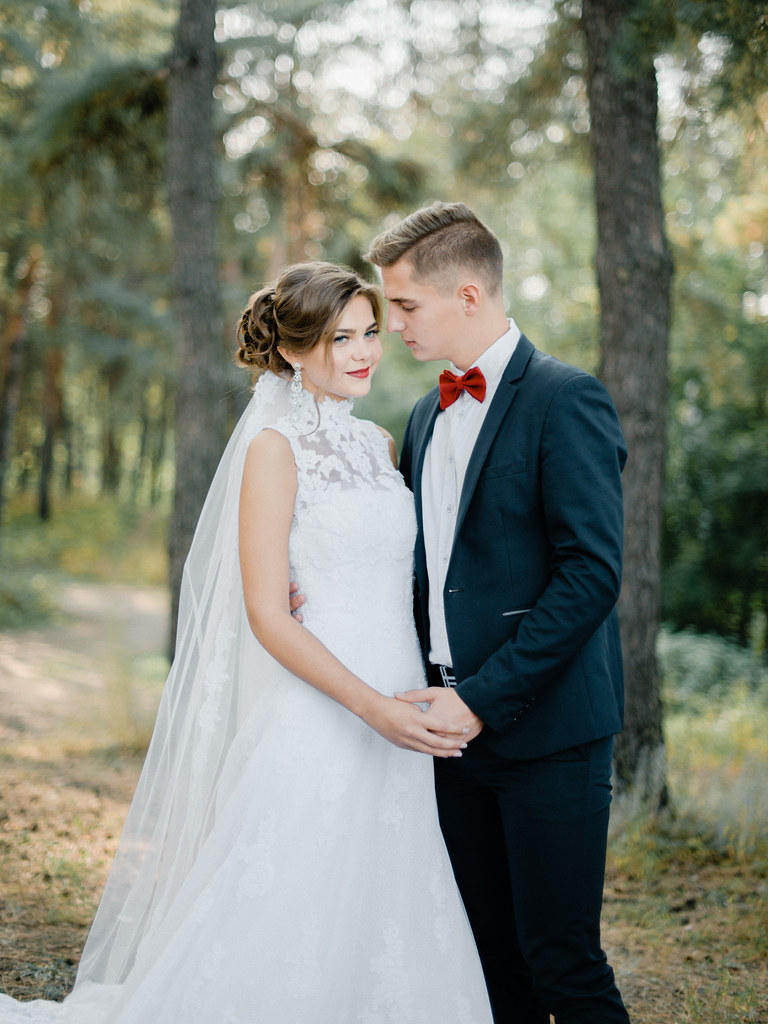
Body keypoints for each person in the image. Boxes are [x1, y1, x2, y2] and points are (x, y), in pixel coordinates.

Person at [0, 261, 492, 1024]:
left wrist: (410, 702)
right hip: (327, 707)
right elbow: (268, 615)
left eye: (370, 333)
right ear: (295, 352)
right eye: (341, 339)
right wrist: (372, 709)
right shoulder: (273, 448)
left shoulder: (381, 444)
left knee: (381, 887)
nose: (365, 352)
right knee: (297, 891)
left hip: (400, 700)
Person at [363, 202, 632, 1023]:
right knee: (482, 966)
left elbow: (591, 575)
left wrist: (480, 698)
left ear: (470, 294)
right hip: (442, 736)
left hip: (547, 732)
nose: (391, 326)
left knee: (562, 961)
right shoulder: (424, 414)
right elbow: (424, 568)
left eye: (405, 306)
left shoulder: (566, 399)